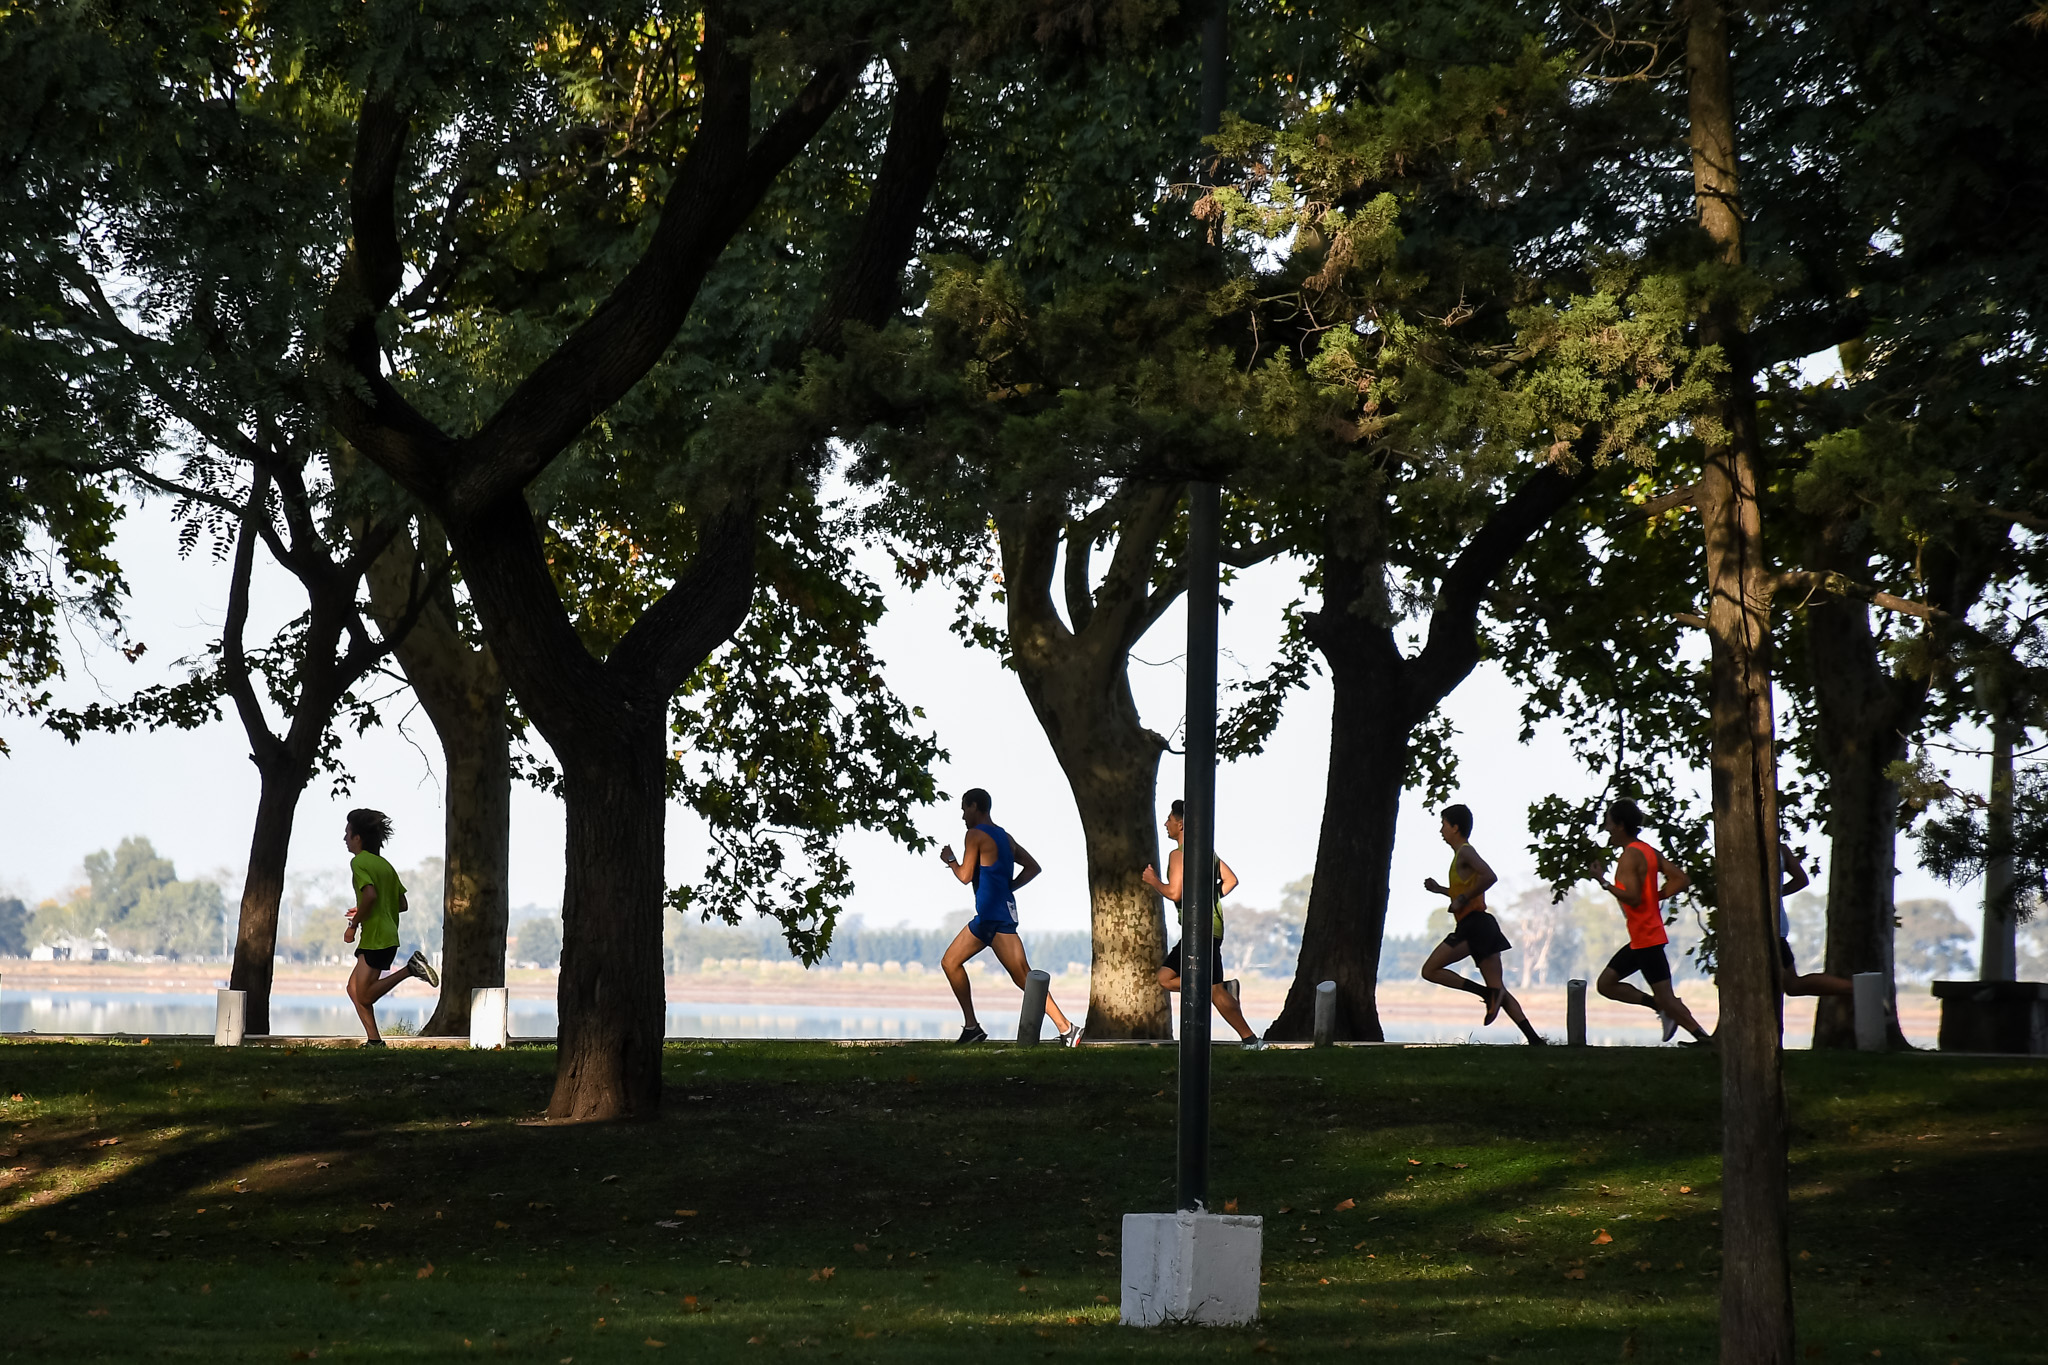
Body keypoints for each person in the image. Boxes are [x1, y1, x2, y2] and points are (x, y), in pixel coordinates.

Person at [938, 788, 1082, 1046]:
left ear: (976, 807)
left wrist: (950, 860)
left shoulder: (975, 835)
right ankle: (972, 1027)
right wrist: (1008, 888)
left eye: (964, 808)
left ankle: (1067, 1028)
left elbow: (964, 876)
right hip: (995, 914)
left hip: (992, 917)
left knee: (1022, 976)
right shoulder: (1006, 838)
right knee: (952, 962)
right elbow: (1033, 867)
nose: (962, 816)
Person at [1416, 804, 1547, 1045]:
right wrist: (1441, 890)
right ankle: (1534, 1039)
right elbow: (1465, 892)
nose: (1441, 830)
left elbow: (1489, 876)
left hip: (1474, 926)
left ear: (1455, 827)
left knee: (1430, 970)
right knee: (1500, 990)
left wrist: (1463, 898)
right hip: (1483, 925)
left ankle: (1485, 993)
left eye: (1443, 824)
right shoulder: (1459, 856)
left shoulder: (1465, 852)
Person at [1143, 799, 1264, 1050]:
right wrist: (1210, 896)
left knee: (1203, 988)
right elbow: (1231, 881)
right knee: (1174, 979)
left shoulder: (1178, 855)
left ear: (1181, 824)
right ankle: (1250, 1038)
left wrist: (1153, 881)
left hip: (1199, 929)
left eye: (1169, 819)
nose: (1165, 824)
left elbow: (1175, 893)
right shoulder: (1208, 853)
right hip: (1210, 928)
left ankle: (1251, 1040)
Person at [1589, 799, 1712, 1045]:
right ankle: (1662, 1008)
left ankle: (1702, 1038)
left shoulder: (1629, 857)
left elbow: (1633, 898)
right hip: (1641, 937)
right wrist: (1656, 896)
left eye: (1609, 823)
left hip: (1647, 937)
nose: (1606, 828)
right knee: (1606, 984)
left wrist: (1604, 882)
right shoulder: (1648, 851)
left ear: (1621, 825)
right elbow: (1681, 879)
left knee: (1666, 997)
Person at [341, 809, 438, 1046]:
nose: (344, 839)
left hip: (377, 937)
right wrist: (363, 908)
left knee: (363, 994)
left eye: (347, 834)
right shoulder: (385, 865)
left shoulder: (359, 862)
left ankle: (410, 969)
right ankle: (375, 1042)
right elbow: (401, 904)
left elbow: (371, 896)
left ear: (358, 838)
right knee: (353, 989)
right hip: (385, 934)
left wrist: (353, 924)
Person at [1776, 840, 1853, 998]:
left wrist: (1774, 894)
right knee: (1791, 985)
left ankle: (1856, 987)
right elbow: (1801, 880)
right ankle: (1857, 987)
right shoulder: (1781, 849)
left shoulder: (1777, 849)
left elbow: (1801, 880)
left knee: (1792, 984)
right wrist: (1777, 893)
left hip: (1774, 928)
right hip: (1778, 926)